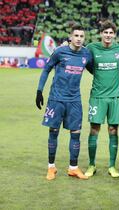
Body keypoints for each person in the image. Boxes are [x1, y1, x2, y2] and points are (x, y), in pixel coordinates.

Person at [36, 24, 92, 180]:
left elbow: (95, 70)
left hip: (74, 100)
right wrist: (39, 91)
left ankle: (73, 168)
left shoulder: (86, 54)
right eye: (76, 36)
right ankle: (51, 167)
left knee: (76, 134)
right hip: (56, 99)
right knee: (53, 132)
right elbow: (46, 69)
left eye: (82, 36)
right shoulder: (60, 52)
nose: (79, 39)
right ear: (70, 37)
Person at [84, 20, 119, 178]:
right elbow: (88, 65)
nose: (108, 35)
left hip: (115, 96)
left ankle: (112, 166)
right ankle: (91, 164)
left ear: (114, 35)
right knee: (94, 129)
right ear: (101, 34)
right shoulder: (91, 48)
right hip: (97, 96)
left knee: (113, 130)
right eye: (105, 32)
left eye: (111, 33)